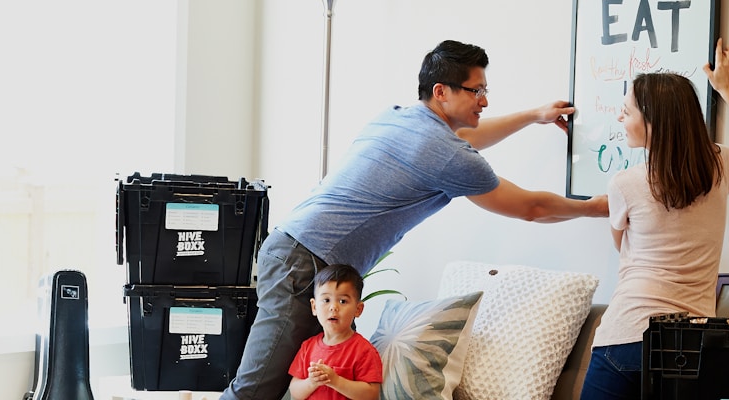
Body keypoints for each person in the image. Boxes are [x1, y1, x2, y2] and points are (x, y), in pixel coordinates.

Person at [220, 39, 609, 400]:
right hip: (305, 265)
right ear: (442, 92)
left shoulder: (399, 118)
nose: (484, 101)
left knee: (334, 386)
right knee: (257, 389)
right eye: (477, 91)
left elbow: (468, 138)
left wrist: (532, 116)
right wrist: (595, 207)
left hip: (299, 254)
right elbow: (531, 208)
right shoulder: (444, 153)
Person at [579, 38, 729, 399]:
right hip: (691, 344)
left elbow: (622, 246)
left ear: (652, 121)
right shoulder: (719, 163)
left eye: (627, 111)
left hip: (626, 334)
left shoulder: (625, 183)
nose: (620, 117)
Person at [287, 264, 382, 400]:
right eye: (326, 300)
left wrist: (336, 381)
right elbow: (295, 391)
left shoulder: (364, 351)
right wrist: (312, 382)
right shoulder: (307, 347)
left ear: (358, 309)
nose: (333, 307)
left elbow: (371, 395)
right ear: (314, 307)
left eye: (343, 301)